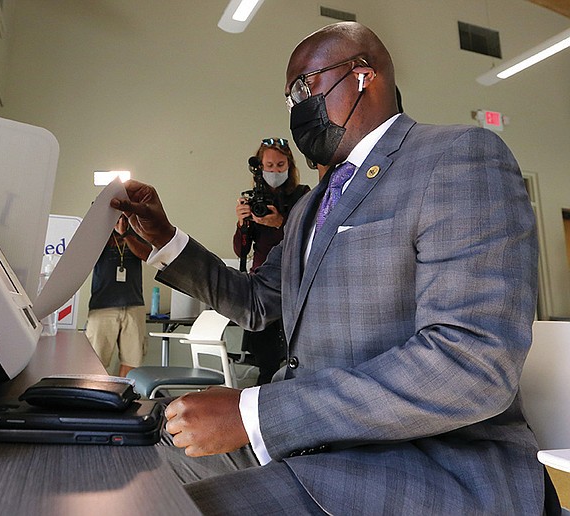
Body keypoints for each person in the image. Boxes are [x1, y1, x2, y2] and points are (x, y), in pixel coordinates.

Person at [112, 21, 555, 515]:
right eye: (288, 98)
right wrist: (165, 239)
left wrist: (257, 414)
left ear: (365, 76)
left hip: (421, 467)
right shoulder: (308, 207)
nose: (297, 107)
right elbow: (258, 302)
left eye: (304, 87)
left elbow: (472, 363)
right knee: (123, 463)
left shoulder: (456, 156)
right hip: (313, 445)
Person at [233, 138, 309, 385]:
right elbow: (240, 250)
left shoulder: (303, 196)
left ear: (289, 166)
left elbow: (308, 237)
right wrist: (242, 223)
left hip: (294, 282)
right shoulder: (254, 199)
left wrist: (280, 223)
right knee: (265, 362)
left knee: (294, 355)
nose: (275, 171)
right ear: (260, 168)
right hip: (263, 284)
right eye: (269, 165)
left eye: (280, 164)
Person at [85, 214, 151, 377]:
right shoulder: (97, 235)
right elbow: (85, 257)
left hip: (134, 305)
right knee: (96, 362)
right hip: (103, 306)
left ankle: (120, 397)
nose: (121, 222)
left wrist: (125, 234)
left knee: (132, 361)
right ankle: (96, 399)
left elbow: (148, 255)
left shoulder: (137, 232)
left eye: (124, 218)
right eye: (116, 217)